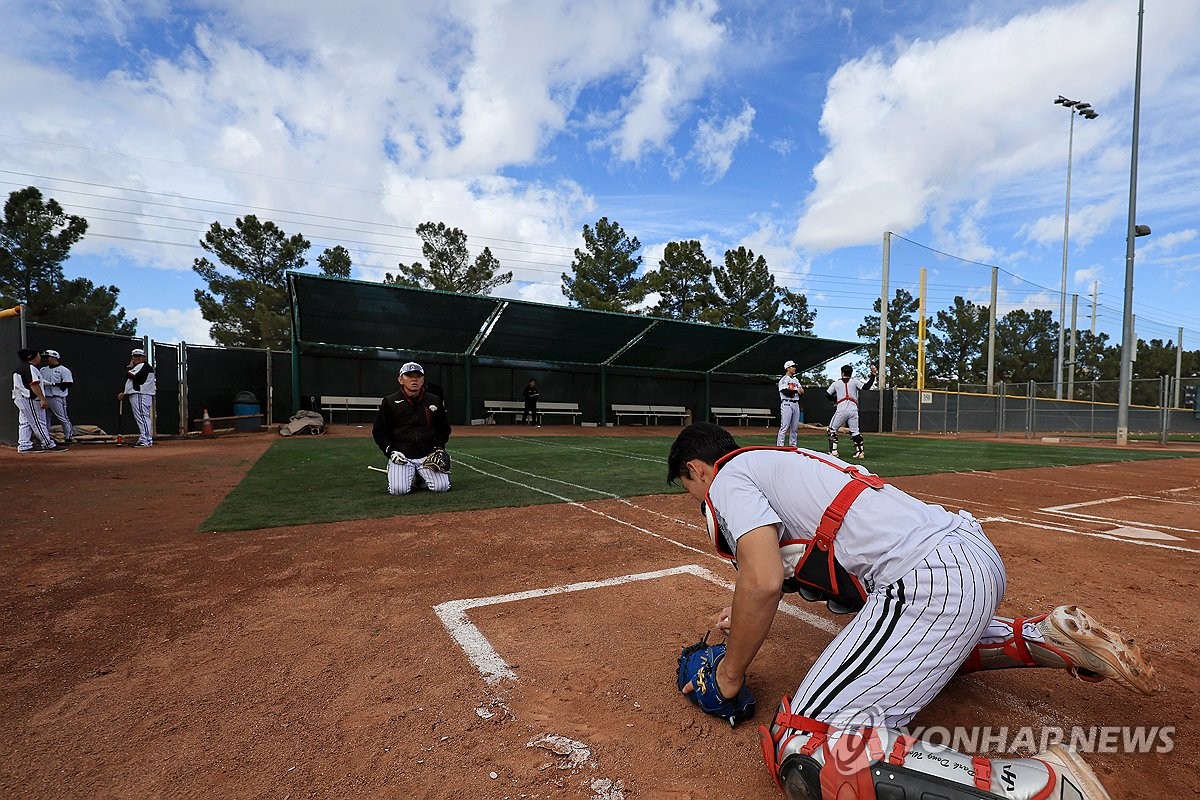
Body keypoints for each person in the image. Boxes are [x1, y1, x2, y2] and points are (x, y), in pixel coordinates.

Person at [668, 422, 1159, 799]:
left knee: (809, 743)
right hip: (969, 555)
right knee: (913, 646)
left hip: (928, 581)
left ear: (697, 468)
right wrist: (743, 612)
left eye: (688, 487)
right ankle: (1043, 636)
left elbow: (763, 580)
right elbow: (789, 567)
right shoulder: (781, 460)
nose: (696, 498)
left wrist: (730, 674)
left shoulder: (727, 477)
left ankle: (1043, 787)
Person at [372, 361, 452, 495]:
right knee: (398, 490)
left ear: (423, 380)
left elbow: (443, 428)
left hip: (427, 456)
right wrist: (390, 451)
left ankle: (421, 477)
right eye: (409, 375)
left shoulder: (434, 400)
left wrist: (438, 447)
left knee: (441, 487)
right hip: (402, 455)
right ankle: (397, 469)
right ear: (400, 379)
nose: (414, 379)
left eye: (418, 376)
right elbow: (379, 431)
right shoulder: (390, 402)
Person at [12, 348, 64, 453]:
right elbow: (34, 384)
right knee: (38, 422)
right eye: (38, 355)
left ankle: (24, 444)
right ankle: (47, 444)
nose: (40, 357)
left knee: (25, 422)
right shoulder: (30, 368)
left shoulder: (21, 368)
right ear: (32, 357)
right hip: (30, 398)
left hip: (20, 398)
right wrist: (42, 399)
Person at [825, 363, 876, 459]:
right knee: (855, 431)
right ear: (851, 373)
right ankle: (860, 452)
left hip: (841, 409)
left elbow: (827, 394)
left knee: (831, 429)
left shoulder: (836, 383)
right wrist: (873, 375)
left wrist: (835, 400)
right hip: (853, 409)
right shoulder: (854, 381)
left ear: (842, 373)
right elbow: (866, 387)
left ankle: (834, 452)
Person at [117, 347, 156, 447]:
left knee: (143, 418)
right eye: (135, 356)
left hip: (140, 395)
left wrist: (130, 366)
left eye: (139, 356)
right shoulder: (142, 366)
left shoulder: (142, 366)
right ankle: (146, 439)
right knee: (143, 417)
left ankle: (145, 439)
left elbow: (130, 375)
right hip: (141, 394)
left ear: (144, 357)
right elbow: (134, 381)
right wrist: (125, 393)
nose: (137, 358)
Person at [39, 349, 75, 444]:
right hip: (45, 397)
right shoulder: (43, 369)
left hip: (57, 397)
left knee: (62, 417)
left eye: (48, 357)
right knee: (45, 418)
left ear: (55, 357)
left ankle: (68, 436)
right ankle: (46, 438)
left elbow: (69, 383)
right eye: (45, 357)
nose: (46, 359)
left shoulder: (63, 370)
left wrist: (53, 384)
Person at [776, 360, 804, 447]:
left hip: (795, 404)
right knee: (784, 426)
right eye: (793, 366)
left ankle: (793, 445)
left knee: (794, 428)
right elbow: (784, 391)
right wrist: (796, 391)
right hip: (787, 404)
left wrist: (799, 391)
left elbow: (801, 390)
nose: (795, 368)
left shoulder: (795, 380)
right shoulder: (784, 379)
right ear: (788, 368)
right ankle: (780, 446)